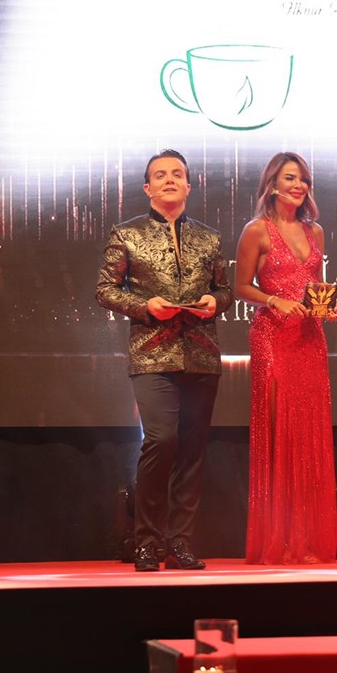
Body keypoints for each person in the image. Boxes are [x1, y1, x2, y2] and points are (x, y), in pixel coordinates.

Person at [95, 149, 232, 572]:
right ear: (147, 187)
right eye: (160, 175)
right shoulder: (126, 233)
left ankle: (181, 542)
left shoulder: (209, 238)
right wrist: (145, 306)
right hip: (152, 353)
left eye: (177, 174)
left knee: (192, 450)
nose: (169, 179)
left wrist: (215, 302)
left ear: (188, 185)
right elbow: (105, 289)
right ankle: (148, 542)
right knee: (161, 440)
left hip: (202, 354)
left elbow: (225, 290)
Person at [234, 151, 337, 564]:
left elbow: (315, 286)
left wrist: (324, 307)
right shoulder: (257, 230)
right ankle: (278, 539)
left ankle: (305, 540)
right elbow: (241, 287)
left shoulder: (316, 232)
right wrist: (274, 299)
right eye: (290, 178)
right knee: (281, 435)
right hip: (273, 338)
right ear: (273, 184)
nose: (298, 185)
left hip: (309, 339)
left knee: (308, 437)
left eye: (303, 179)